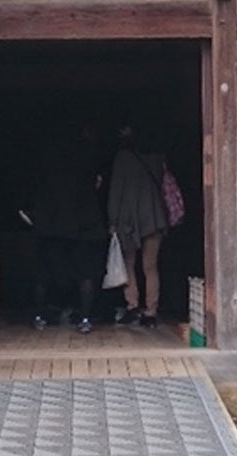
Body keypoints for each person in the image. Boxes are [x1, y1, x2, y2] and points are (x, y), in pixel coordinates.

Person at [31, 119, 107, 334]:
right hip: (85, 223)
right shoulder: (88, 155)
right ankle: (84, 318)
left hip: (51, 222)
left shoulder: (46, 155)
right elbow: (97, 184)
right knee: (86, 273)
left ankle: (39, 316)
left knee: (44, 272)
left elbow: (37, 186)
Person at [107, 125, 168, 328]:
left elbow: (116, 191)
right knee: (151, 266)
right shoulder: (158, 157)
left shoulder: (123, 158)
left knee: (128, 264)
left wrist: (112, 220)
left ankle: (132, 306)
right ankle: (151, 311)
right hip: (154, 215)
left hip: (128, 219)